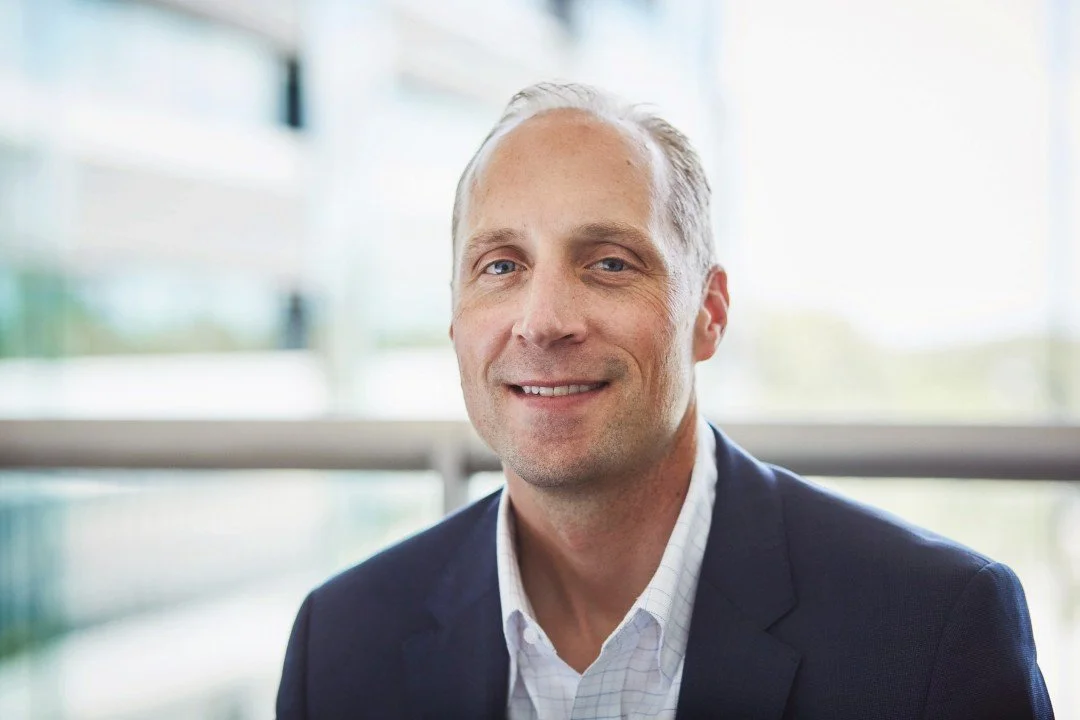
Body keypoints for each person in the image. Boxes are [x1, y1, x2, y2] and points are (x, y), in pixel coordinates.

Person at [276, 83, 1054, 719]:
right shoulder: (341, 644)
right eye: (501, 266)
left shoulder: (933, 632)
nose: (544, 321)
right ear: (454, 320)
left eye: (610, 263)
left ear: (708, 313)